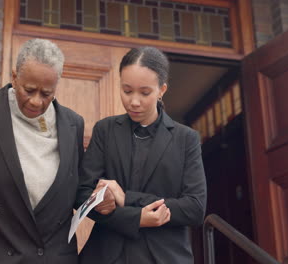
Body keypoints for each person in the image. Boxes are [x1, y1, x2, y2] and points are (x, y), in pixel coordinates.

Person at [0, 38, 115, 264]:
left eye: (46, 93)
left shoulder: (72, 124)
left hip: (53, 257)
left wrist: (99, 200)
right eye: (29, 90)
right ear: (14, 76)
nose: (36, 101)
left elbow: (75, 190)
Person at [76, 46, 207, 264]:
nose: (134, 102)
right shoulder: (105, 130)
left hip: (163, 257)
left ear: (162, 89)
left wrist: (127, 198)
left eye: (145, 93)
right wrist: (137, 218)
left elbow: (194, 208)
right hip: (105, 255)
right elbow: (82, 194)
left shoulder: (186, 139)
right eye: (127, 91)